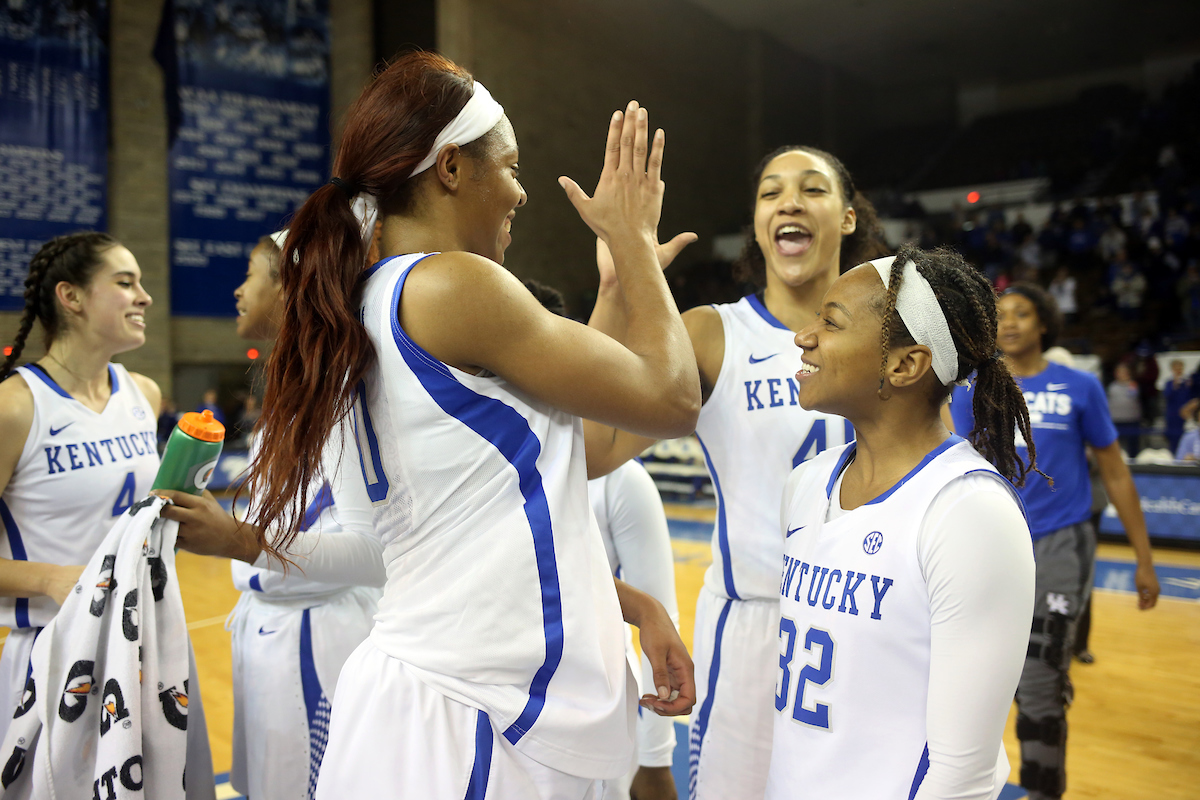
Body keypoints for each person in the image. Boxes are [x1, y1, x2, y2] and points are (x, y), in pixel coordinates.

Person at [246, 53, 697, 798]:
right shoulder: (451, 284)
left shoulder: (371, 303)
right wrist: (635, 243)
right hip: (469, 719)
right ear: (451, 167)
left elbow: (584, 444)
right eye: (512, 166)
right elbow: (672, 397)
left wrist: (616, 292)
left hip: (439, 700)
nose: (520, 190)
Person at [586, 144, 885, 800]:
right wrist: (614, 289)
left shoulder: (893, 332)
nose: (789, 202)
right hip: (752, 622)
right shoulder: (712, 334)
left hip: (873, 619)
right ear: (756, 223)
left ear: (848, 218)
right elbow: (592, 450)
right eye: (771, 192)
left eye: (812, 189)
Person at [768, 246, 1035, 799]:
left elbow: (962, 774)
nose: (804, 336)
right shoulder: (808, 483)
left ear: (905, 364)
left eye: (831, 322)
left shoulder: (968, 512)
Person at [153, 231, 385, 800]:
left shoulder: (342, 393)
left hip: (316, 639)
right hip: (271, 629)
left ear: (289, 289)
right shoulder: (295, 389)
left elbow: (375, 553)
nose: (237, 289)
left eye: (251, 273)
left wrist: (234, 539)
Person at [947, 282, 1159, 800]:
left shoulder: (1079, 387)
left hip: (1061, 546)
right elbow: (949, 464)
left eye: (1023, 313)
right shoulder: (972, 387)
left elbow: (1115, 473)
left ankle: (1044, 790)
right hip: (992, 546)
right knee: (973, 681)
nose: (1011, 322)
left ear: (1045, 324)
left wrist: (1145, 561)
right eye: (1003, 315)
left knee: (1039, 683)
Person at [0, 232, 162, 745]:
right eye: (124, 282)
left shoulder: (144, 394)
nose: (145, 296)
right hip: (54, 652)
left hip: (145, 645)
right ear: (70, 297)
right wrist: (53, 579)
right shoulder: (16, 407)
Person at [524, 277, 681, 800]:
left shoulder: (622, 480)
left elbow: (660, 612)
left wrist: (655, 759)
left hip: (597, 708)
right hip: (508, 703)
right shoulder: (491, 465)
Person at [1107, 362, 1141, 457]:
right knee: (1116, 445)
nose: (1122, 374)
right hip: (1116, 420)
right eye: (1119, 372)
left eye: (1124, 372)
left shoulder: (1133, 385)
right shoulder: (1112, 387)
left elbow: (1134, 396)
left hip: (1131, 420)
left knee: (1133, 446)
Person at [1162, 359, 1192, 455]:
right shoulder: (1169, 383)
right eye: (1176, 368)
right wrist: (1175, 385)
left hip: (1185, 417)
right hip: (1172, 416)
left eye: (1180, 367)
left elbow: (1190, 398)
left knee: (1187, 438)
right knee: (1173, 440)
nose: (1178, 370)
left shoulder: (1188, 383)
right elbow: (1167, 395)